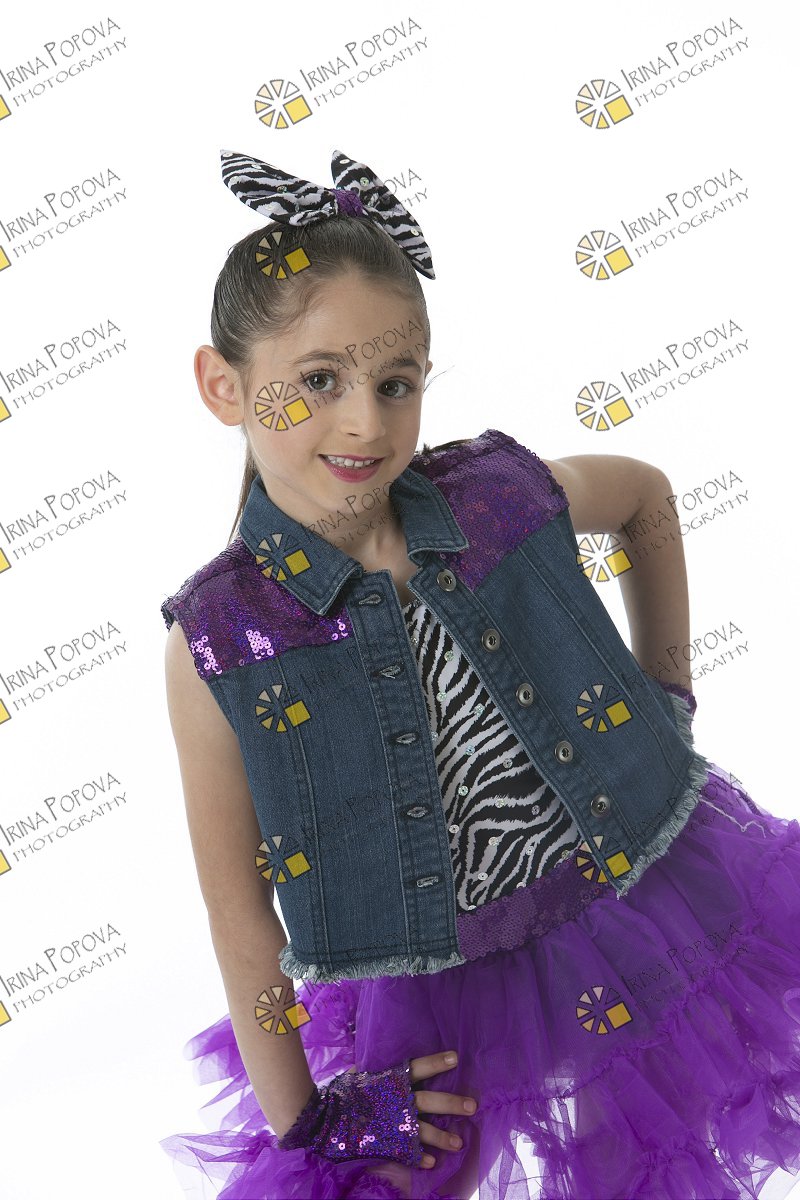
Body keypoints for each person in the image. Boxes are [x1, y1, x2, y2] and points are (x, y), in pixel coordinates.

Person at [158, 148, 800, 1200]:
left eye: (395, 383)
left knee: (639, 1155)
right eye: (318, 382)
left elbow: (643, 497)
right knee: (420, 1169)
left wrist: (667, 698)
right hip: (434, 976)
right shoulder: (221, 643)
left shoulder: (497, 499)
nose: (365, 423)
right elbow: (241, 920)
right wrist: (311, 1118)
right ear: (223, 386)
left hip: (630, 895)